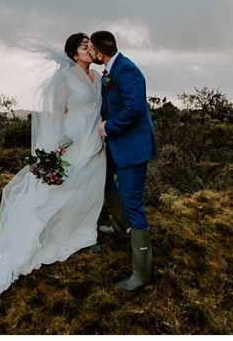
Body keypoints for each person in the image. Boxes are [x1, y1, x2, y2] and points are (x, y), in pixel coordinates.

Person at [0, 33, 106, 294]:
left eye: (90, 45)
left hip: (94, 137)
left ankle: (82, 230)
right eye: (84, 46)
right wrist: (59, 143)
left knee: (90, 186)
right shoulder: (64, 78)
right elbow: (57, 113)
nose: (89, 48)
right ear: (73, 53)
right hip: (71, 140)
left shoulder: (100, 78)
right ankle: (49, 236)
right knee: (62, 190)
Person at [91, 29, 156, 291]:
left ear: (99, 52)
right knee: (105, 181)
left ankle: (141, 274)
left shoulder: (127, 70)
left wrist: (108, 128)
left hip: (132, 147)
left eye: (91, 49)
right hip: (118, 146)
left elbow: (133, 109)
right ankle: (119, 228)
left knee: (133, 203)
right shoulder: (112, 69)